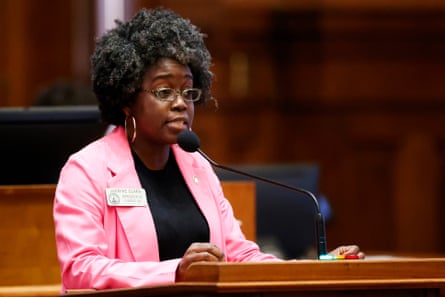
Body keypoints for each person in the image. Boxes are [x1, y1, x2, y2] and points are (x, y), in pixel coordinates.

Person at [53, 7, 364, 291]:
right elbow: (81, 269)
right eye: (164, 91)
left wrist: (309, 270)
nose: (180, 103)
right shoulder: (88, 170)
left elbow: (239, 255)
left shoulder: (197, 167)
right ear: (126, 98)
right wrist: (176, 271)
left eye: (188, 91)